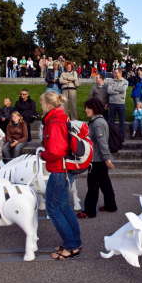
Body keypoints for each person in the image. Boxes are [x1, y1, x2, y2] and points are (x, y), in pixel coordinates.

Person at [39, 91, 82, 260]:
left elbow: (56, 150)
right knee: (63, 206)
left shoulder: (54, 121)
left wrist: (44, 155)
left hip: (59, 169)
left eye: (42, 103)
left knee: (53, 208)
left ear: (48, 105)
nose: (41, 106)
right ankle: (74, 243)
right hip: (65, 168)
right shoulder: (61, 117)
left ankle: (71, 246)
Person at [77, 98, 117, 219]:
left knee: (92, 186)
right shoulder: (96, 121)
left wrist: (107, 159)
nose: (86, 110)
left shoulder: (98, 123)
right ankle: (111, 206)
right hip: (99, 160)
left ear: (94, 108)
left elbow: (102, 142)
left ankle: (89, 211)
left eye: (88, 108)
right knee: (105, 184)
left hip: (97, 160)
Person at [106, 68, 128, 139]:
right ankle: (111, 137)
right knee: (111, 122)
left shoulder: (125, 81)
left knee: (122, 122)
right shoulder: (111, 81)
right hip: (112, 103)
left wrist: (114, 89)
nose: (114, 74)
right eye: (114, 73)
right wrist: (118, 90)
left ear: (120, 73)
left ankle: (121, 137)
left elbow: (123, 90)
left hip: (121, 104)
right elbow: (109, 91)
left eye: (116, 73)